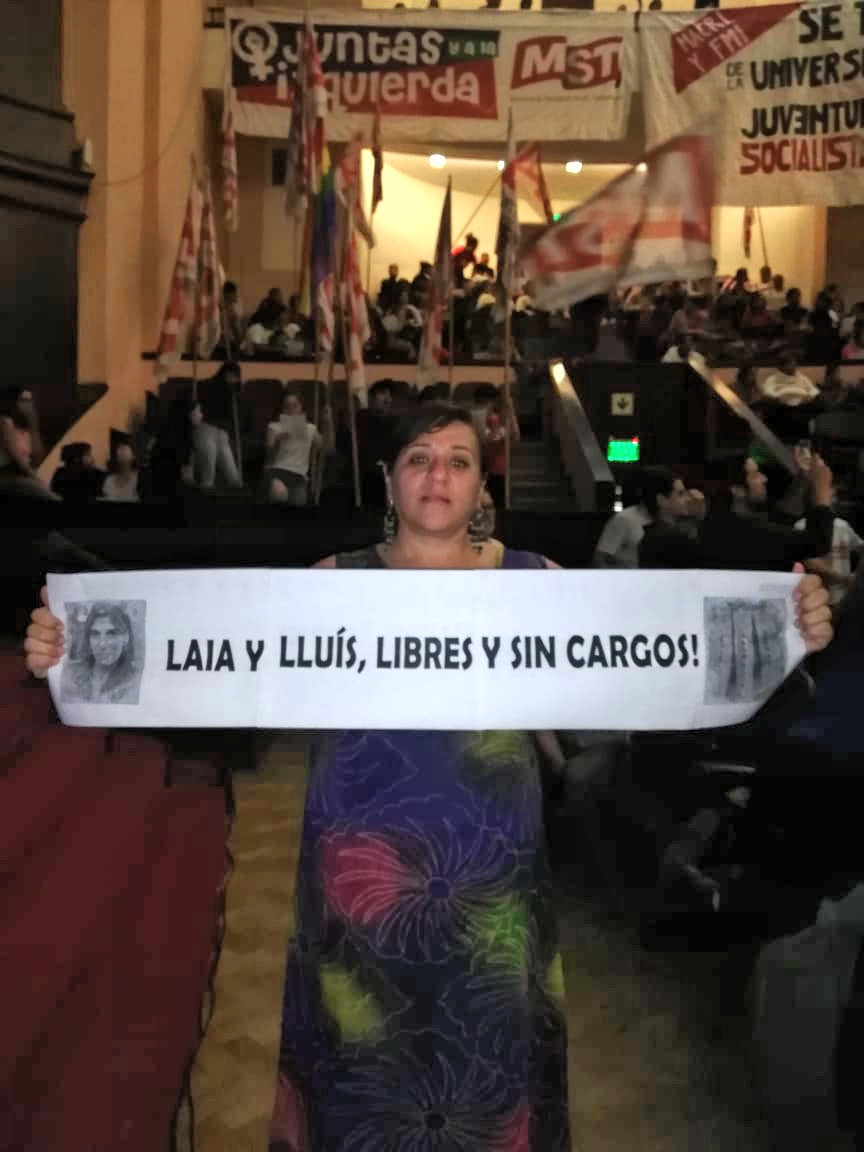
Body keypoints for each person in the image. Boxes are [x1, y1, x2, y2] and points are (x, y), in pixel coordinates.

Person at [24, 401, 833, 1151]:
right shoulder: (329, 582)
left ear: (482, 486)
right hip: (356, 884)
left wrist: (786, 631)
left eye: (458, 460)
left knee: (484, 1082)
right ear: (389, 480)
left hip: (492, 884)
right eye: (418, 458)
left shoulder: (540, 582)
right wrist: (74, 652)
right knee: (361, 1084)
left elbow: (664, 659)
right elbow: (202, 666)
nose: (437, 475)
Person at [639, 453, 836, 571]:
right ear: (737, 490)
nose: (764, 479)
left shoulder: (723, 526)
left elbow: (784, 519)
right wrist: (822, 491)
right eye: (755, 475)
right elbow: (817, 542)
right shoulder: (740, 532)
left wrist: (804, 480)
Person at [594, 466, 689, 569]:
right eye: (680, 494)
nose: (687, 499)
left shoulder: (678, 523)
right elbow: (599, 559)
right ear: (661, 499)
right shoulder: (624, 519)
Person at [59, 602, 138, 704]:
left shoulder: (135, 681)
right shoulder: (70, 673)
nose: (102, 644)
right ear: (88, 639)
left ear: (125, 638)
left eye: (111, 634)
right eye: (95, 634)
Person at [264, 390, 321, 505]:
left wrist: (328, 423)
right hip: (278, 472)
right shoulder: (274, 427)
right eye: (287, 406)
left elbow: (327, 448)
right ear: (282, 410)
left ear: (302, 409)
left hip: (298, 476)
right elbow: (268, 453)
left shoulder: (310, 428)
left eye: (295, 406)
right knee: (280, 494)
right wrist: (278, 441)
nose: (291, 410)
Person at [483, 393, 519, 508]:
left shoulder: (506, 424)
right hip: (491, 469)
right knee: (492, 501)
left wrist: (511, 411)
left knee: (501, 502)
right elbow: (489, 438)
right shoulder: (491, 425)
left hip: (503, 470)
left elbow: (516, 436)